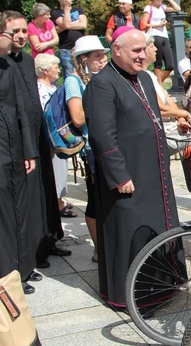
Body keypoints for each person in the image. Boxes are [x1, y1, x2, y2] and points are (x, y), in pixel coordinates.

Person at [83, 27, 180, 310]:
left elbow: (151, 116)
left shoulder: (144, 79)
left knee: (158, 226)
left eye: (144, 49)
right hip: (129, 175)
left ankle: (163, 285)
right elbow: (102, 134)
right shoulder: (102, 84)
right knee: (131, 230)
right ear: (117, 50)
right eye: (136, 51)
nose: (143, 56)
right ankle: (134, 295)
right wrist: (119, 174)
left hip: (152, 170)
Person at [5, 10, 70, 276]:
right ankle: (31, 253)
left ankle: (49, 239)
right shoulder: (5, 63)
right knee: (29, 198)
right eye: (15, 32)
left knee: (47, 189)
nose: (21, 36)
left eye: (23, 31)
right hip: (19, 141)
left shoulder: (28, 60)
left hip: (38, 134)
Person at [0, 11, 39, 294]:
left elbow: (22, 112)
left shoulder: (10, 66)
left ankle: (22, 268)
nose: (16, 37)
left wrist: (28, 150)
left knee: (19, 211)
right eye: (10, 33)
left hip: (14, 149)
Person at [69, 35, 110, 263]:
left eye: (103, 55)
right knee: (95, 199)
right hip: (91, 148)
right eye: (97, 56)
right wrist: (99, 104)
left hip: (105, 143)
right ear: (83, 59)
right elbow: (77, 118)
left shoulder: (99, 78)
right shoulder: (73, 82)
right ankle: (97, 249)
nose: (102, 60)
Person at [35, 54, 76, 219]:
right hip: (53, 139)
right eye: (55, 67)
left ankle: (59, 201)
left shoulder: (51, 87)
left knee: (60, 170)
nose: (58, 70)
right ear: (45, 71)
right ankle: (57, 204)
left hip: (59, 137)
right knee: (56, 171)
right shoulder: (41, 90)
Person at [142, 34, 191, 154]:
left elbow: (168, 100)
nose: (156, 49)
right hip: (162, 133)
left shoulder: (151, 75)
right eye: (152, 46)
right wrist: (184, 113)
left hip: (171, 128)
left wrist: (180, 118)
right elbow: (160, 108)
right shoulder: (141, 77)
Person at [142, 0, 181, 85]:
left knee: (170, 65)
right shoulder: (149, 8)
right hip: (155, 35)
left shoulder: (162, 7)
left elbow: (177, 8)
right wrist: (158, 25)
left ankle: (156, 84)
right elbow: (144, 24)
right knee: (158, 63)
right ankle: (159, 87)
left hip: (164, 36)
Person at [51, 0, 87, 79]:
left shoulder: (78, 9)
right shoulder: (56, 13)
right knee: (70, 77)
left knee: (84, 75)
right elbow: (66, 25)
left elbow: (83, 25)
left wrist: (64, 27)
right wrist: (66, 9)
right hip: (66, 50)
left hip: (80, 49)